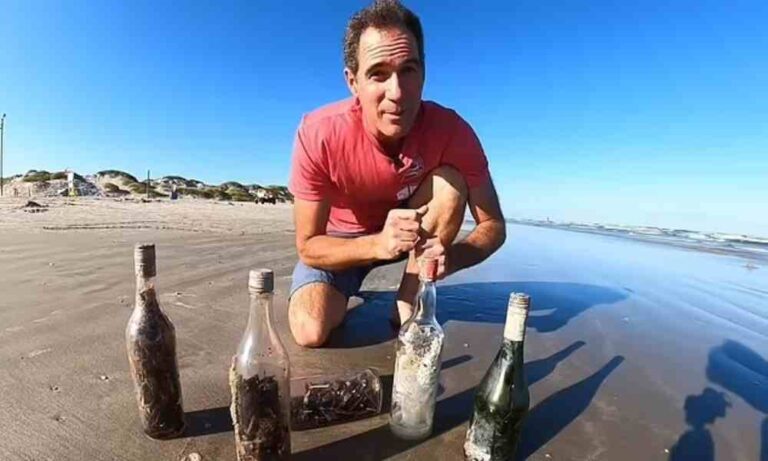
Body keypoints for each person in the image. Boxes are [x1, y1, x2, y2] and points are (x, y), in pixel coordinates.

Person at [288, 0, 506, 347]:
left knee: (450, 182)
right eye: (378, 74)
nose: (397, 93)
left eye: (408, 70)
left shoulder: (454, 132)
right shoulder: (318, 133)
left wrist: (452, 257)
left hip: (414, 238)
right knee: (309, 331)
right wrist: (377, 244)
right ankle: (346, 290)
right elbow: (309, 246)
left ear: (424, 72)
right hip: (342, 242)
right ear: (353, 81)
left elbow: (493, 225)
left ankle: (408, 302)